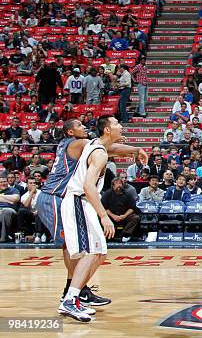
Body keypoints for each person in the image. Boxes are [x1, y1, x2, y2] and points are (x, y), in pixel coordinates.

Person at [36, 119, 146, 314]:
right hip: (57, 195)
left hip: (74, 198)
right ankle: (72, 295)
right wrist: (134, 150)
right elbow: (109, 148)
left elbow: (109, 148)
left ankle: (75, 291)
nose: (83, 127)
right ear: (70, 132)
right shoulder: (81, 144)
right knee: (75, 247)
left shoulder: (89, 146)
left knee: (96, 250)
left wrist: (135, 151)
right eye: (78, 126)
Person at [58, 115, 124, 322]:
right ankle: (70, 300)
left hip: (84, 202)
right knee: (90, 252)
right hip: (78, 200)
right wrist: (104, 216)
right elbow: (87, 186)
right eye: (116, 124)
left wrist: (135, 150)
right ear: (107, 130)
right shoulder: (99, 153)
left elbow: (114, 148)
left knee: (100, 253)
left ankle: (75, 296)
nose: (120, 126)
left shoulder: (96, 144)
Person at [101, 178, 140, 243]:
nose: (118, 185)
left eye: (120, 183)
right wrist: (113, 216)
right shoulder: (106, 194)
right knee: (100, 217)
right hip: (111, 216)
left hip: (124, 215)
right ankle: (106, 235)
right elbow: (104, 208)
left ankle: (124, 235)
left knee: (135, 218)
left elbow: (132, 208)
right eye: (116, 183)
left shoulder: (128, 194)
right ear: (113, 185)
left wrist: (124, 216)